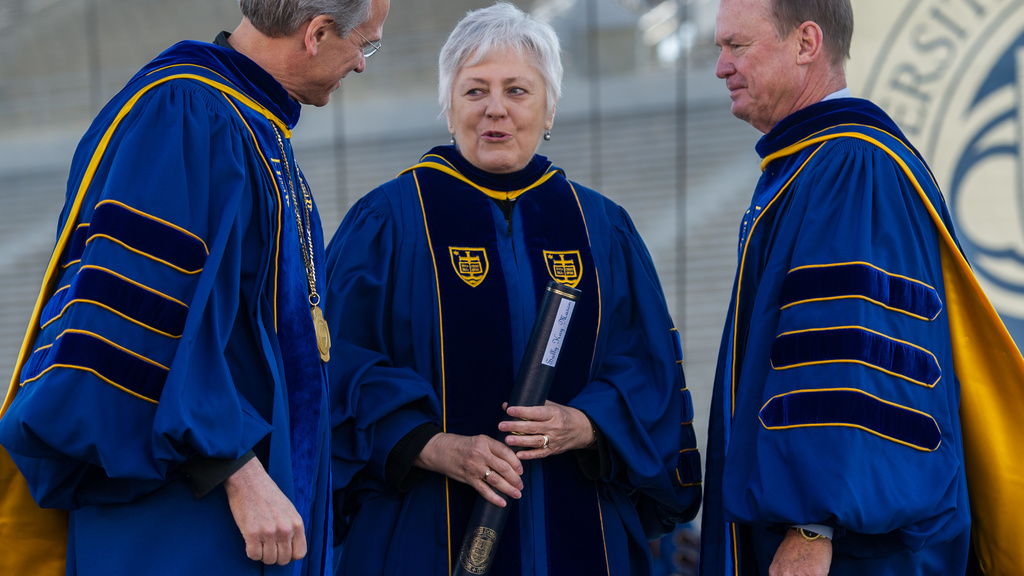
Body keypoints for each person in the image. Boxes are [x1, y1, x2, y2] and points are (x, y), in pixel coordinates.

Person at [0, 0, 389, 574]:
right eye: (365, 43)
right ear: (317, 33)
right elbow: (132, 316)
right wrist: (235, 470)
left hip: (249, 506)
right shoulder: (183, 114)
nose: (361, 64)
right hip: (184, 510)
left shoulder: (254, 127)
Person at [323, 3, 703, 575]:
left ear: (549, 108)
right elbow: (337, 367)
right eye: (475, 91)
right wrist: (434, 445)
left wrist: (588, 423)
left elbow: (648, 371)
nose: (495, 109)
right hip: (424, 530)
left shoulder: (601, 229)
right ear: (448, 109)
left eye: (517, 91)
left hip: (582, 531)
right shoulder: (390, 223)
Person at [701, 0, 1024, 574]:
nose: (721, 67)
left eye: (738, 46)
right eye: (719, 48)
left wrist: (813, 523)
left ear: (806, 43)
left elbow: (855, 356)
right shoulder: (811, 164)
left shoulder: (851, 166)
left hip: (853, 547)